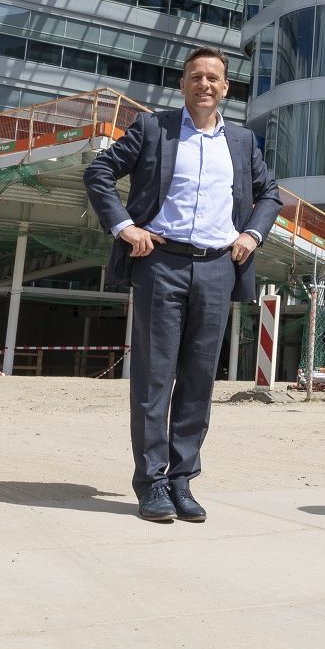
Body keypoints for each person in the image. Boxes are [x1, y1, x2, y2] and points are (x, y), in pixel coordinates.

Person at [84, 46, 281, 523]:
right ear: (183, 83)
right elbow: (100, 171)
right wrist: (124, 226)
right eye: (196, 76)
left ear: (226, 88)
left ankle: (181, 479)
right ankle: (150, 483)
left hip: (217, 268)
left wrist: (252, 234)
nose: (205, 84)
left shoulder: (242, 141)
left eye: (214, 77)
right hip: (160, 263)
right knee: (154, 379)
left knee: (197, 380)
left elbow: (269, 193)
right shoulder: (155, 129)